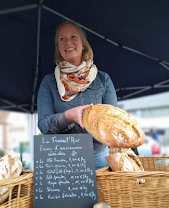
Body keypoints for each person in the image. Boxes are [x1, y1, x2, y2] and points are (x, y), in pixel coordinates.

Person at [37, 20, 118, 169]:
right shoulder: (49, 82)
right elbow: (43, 125)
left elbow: (113, 121)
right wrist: (68, 117)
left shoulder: (103, 79)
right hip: (63, 158)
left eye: (74, 37)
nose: (68, 42)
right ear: (58, 47)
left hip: (98, 156)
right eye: (62, 39)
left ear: (83, 44)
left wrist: (93, 119)